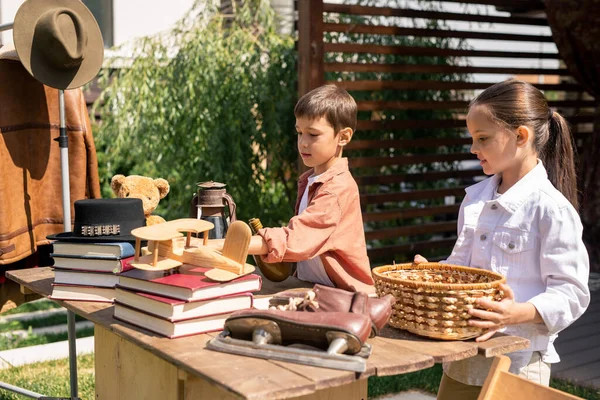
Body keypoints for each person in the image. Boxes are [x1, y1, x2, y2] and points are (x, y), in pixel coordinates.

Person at [414, 79, 590, 399]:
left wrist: (515, 313)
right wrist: (437, 275)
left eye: (482, 138)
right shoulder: (475, 199)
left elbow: (572, 293)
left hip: (518, 363)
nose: (473, 148)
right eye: (472, 138)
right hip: (465, 359)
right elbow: (464, 267)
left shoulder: (551, 209)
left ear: (520, 136)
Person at [209, 85, 374, 293]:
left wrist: (228, 245)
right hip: (314, 289)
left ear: (343, 137)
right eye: (299, 133)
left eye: (313, 135)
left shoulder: (337, 189)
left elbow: (299, 238)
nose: (303, 143)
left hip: (346, 297)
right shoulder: (312, 180)